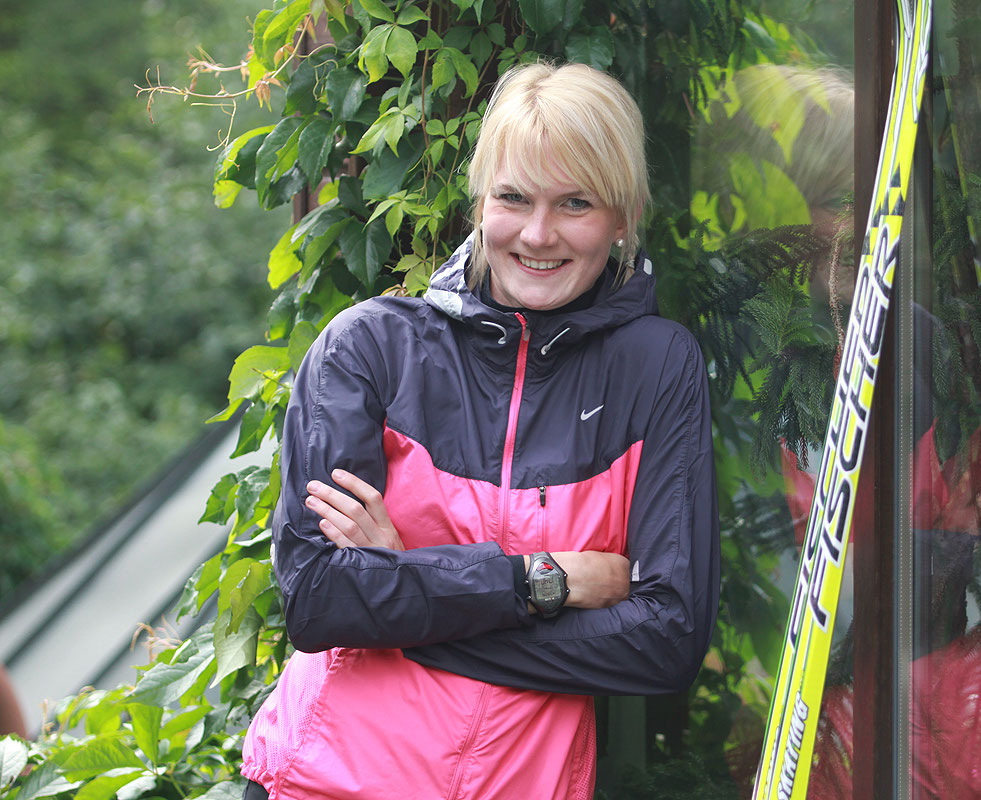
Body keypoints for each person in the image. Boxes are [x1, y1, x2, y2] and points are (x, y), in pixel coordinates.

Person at [239, 61, 720, 800]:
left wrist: (405, 597)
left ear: (621, 217)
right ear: (479, 202)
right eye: (513, 198)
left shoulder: (656, 369)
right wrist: (544, 581)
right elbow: (318, 600)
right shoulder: (368, 349)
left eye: (576, 204)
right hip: (330, 782)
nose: (537, 234)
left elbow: (666, 642)